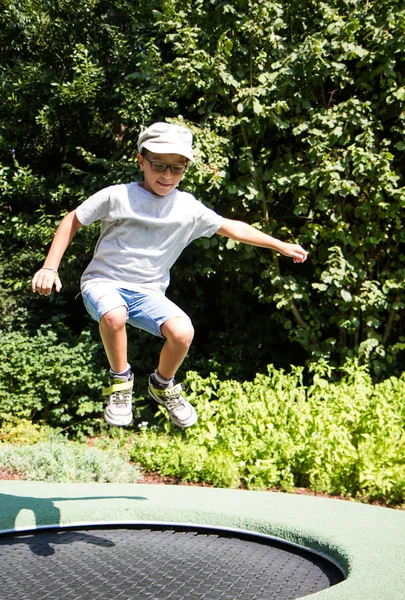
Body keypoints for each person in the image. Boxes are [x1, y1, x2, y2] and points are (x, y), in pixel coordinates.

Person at [32, 122, 308, 429]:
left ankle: (162, 385)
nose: (167, 176)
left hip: (148, 292)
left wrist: (279, 244)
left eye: (176, 169)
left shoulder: (187, 207)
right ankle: (121, 384)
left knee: (182, 332)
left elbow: (231, 227)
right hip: (104, 283)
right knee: (114, 315)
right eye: (158, 166)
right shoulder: (117, 196)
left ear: (186, 168)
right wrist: (49, 266)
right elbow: (73, 220)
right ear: (141, 161)